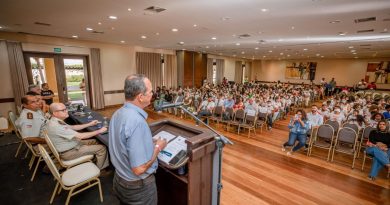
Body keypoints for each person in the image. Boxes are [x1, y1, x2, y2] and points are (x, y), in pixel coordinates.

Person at [109, 74, 167, 205]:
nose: (153, 94)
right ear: (140, 97)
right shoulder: (137, 122)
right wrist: (158, 147)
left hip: (119, 180)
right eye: (151, 91)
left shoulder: (118, 113)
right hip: (137, 188)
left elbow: (123, 142)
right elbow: (139, 169)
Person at [47, 102, 109, 170]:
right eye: (63, 110)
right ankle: (101, 169)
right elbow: (81, 136)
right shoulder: (57, 126)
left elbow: (73, 127)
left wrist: (89, 124)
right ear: (55, 113)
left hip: (72, 145)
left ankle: (95, 159)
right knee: (102, 148)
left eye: (66, 109)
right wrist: (99, 131)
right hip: (69, 152)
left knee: (96, 141)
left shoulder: (56, 121)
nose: (67, 111)